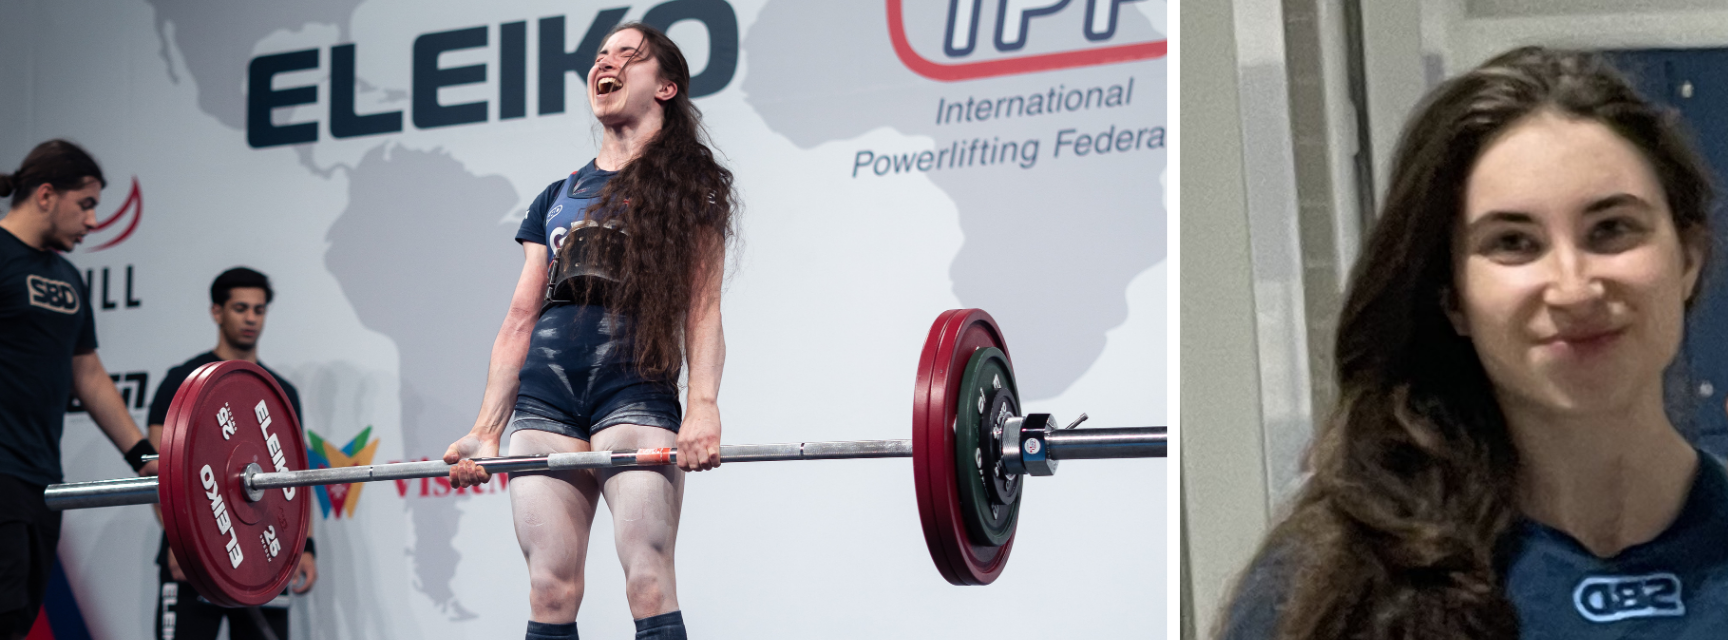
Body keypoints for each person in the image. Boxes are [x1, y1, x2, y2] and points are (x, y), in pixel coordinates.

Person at [1218, 47, 1723, 639]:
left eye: (1611, 229)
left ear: (1688, 257)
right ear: (1452, 296)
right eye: (1513, 242)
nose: (1573, 287)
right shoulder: (1337, 583)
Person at [442, 22, 733, 640]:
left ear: (666, 87)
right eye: (602, 55)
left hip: (633, 388)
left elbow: (702, 311)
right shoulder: (556, 197)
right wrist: (485, 430)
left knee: (647, 581)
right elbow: (520, 318)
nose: (609, 63)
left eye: (629, 55)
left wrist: (702, 409)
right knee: (550, 591)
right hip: (545, 397)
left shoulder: (691, 188)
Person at [0, 139, 160, 640]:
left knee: (20, 618)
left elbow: (86, 372)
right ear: (46, 195)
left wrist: (142, 455)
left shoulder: (68, 278)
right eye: (86, 204)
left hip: (43, 480)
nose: (93, 221)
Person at [146, 267, 316, 640]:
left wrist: (306, 547)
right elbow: (157, 472)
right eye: (240, 308)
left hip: (261, 556)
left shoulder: (280, 391)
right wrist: (179, 540)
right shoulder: (181, 380)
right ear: (216, 311)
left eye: (259, 310)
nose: (251, 319)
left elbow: (296, 478)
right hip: (192, 554)